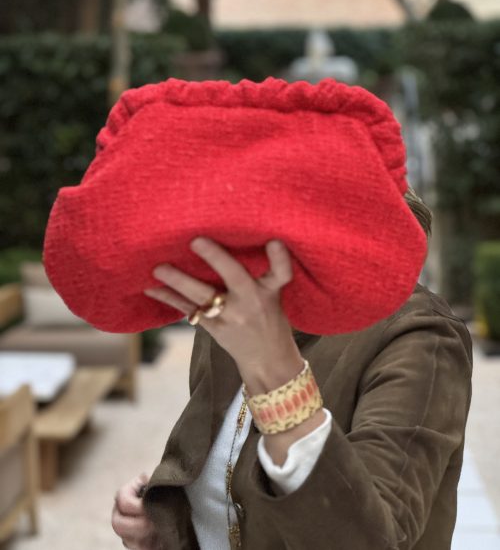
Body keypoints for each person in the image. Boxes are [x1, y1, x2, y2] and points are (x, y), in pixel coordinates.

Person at [111, 187, 473, 550]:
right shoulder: (237, 308)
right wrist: (166, 529)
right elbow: (226, 484)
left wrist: (278, 378)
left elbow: (375, 539)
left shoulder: (421, 334)